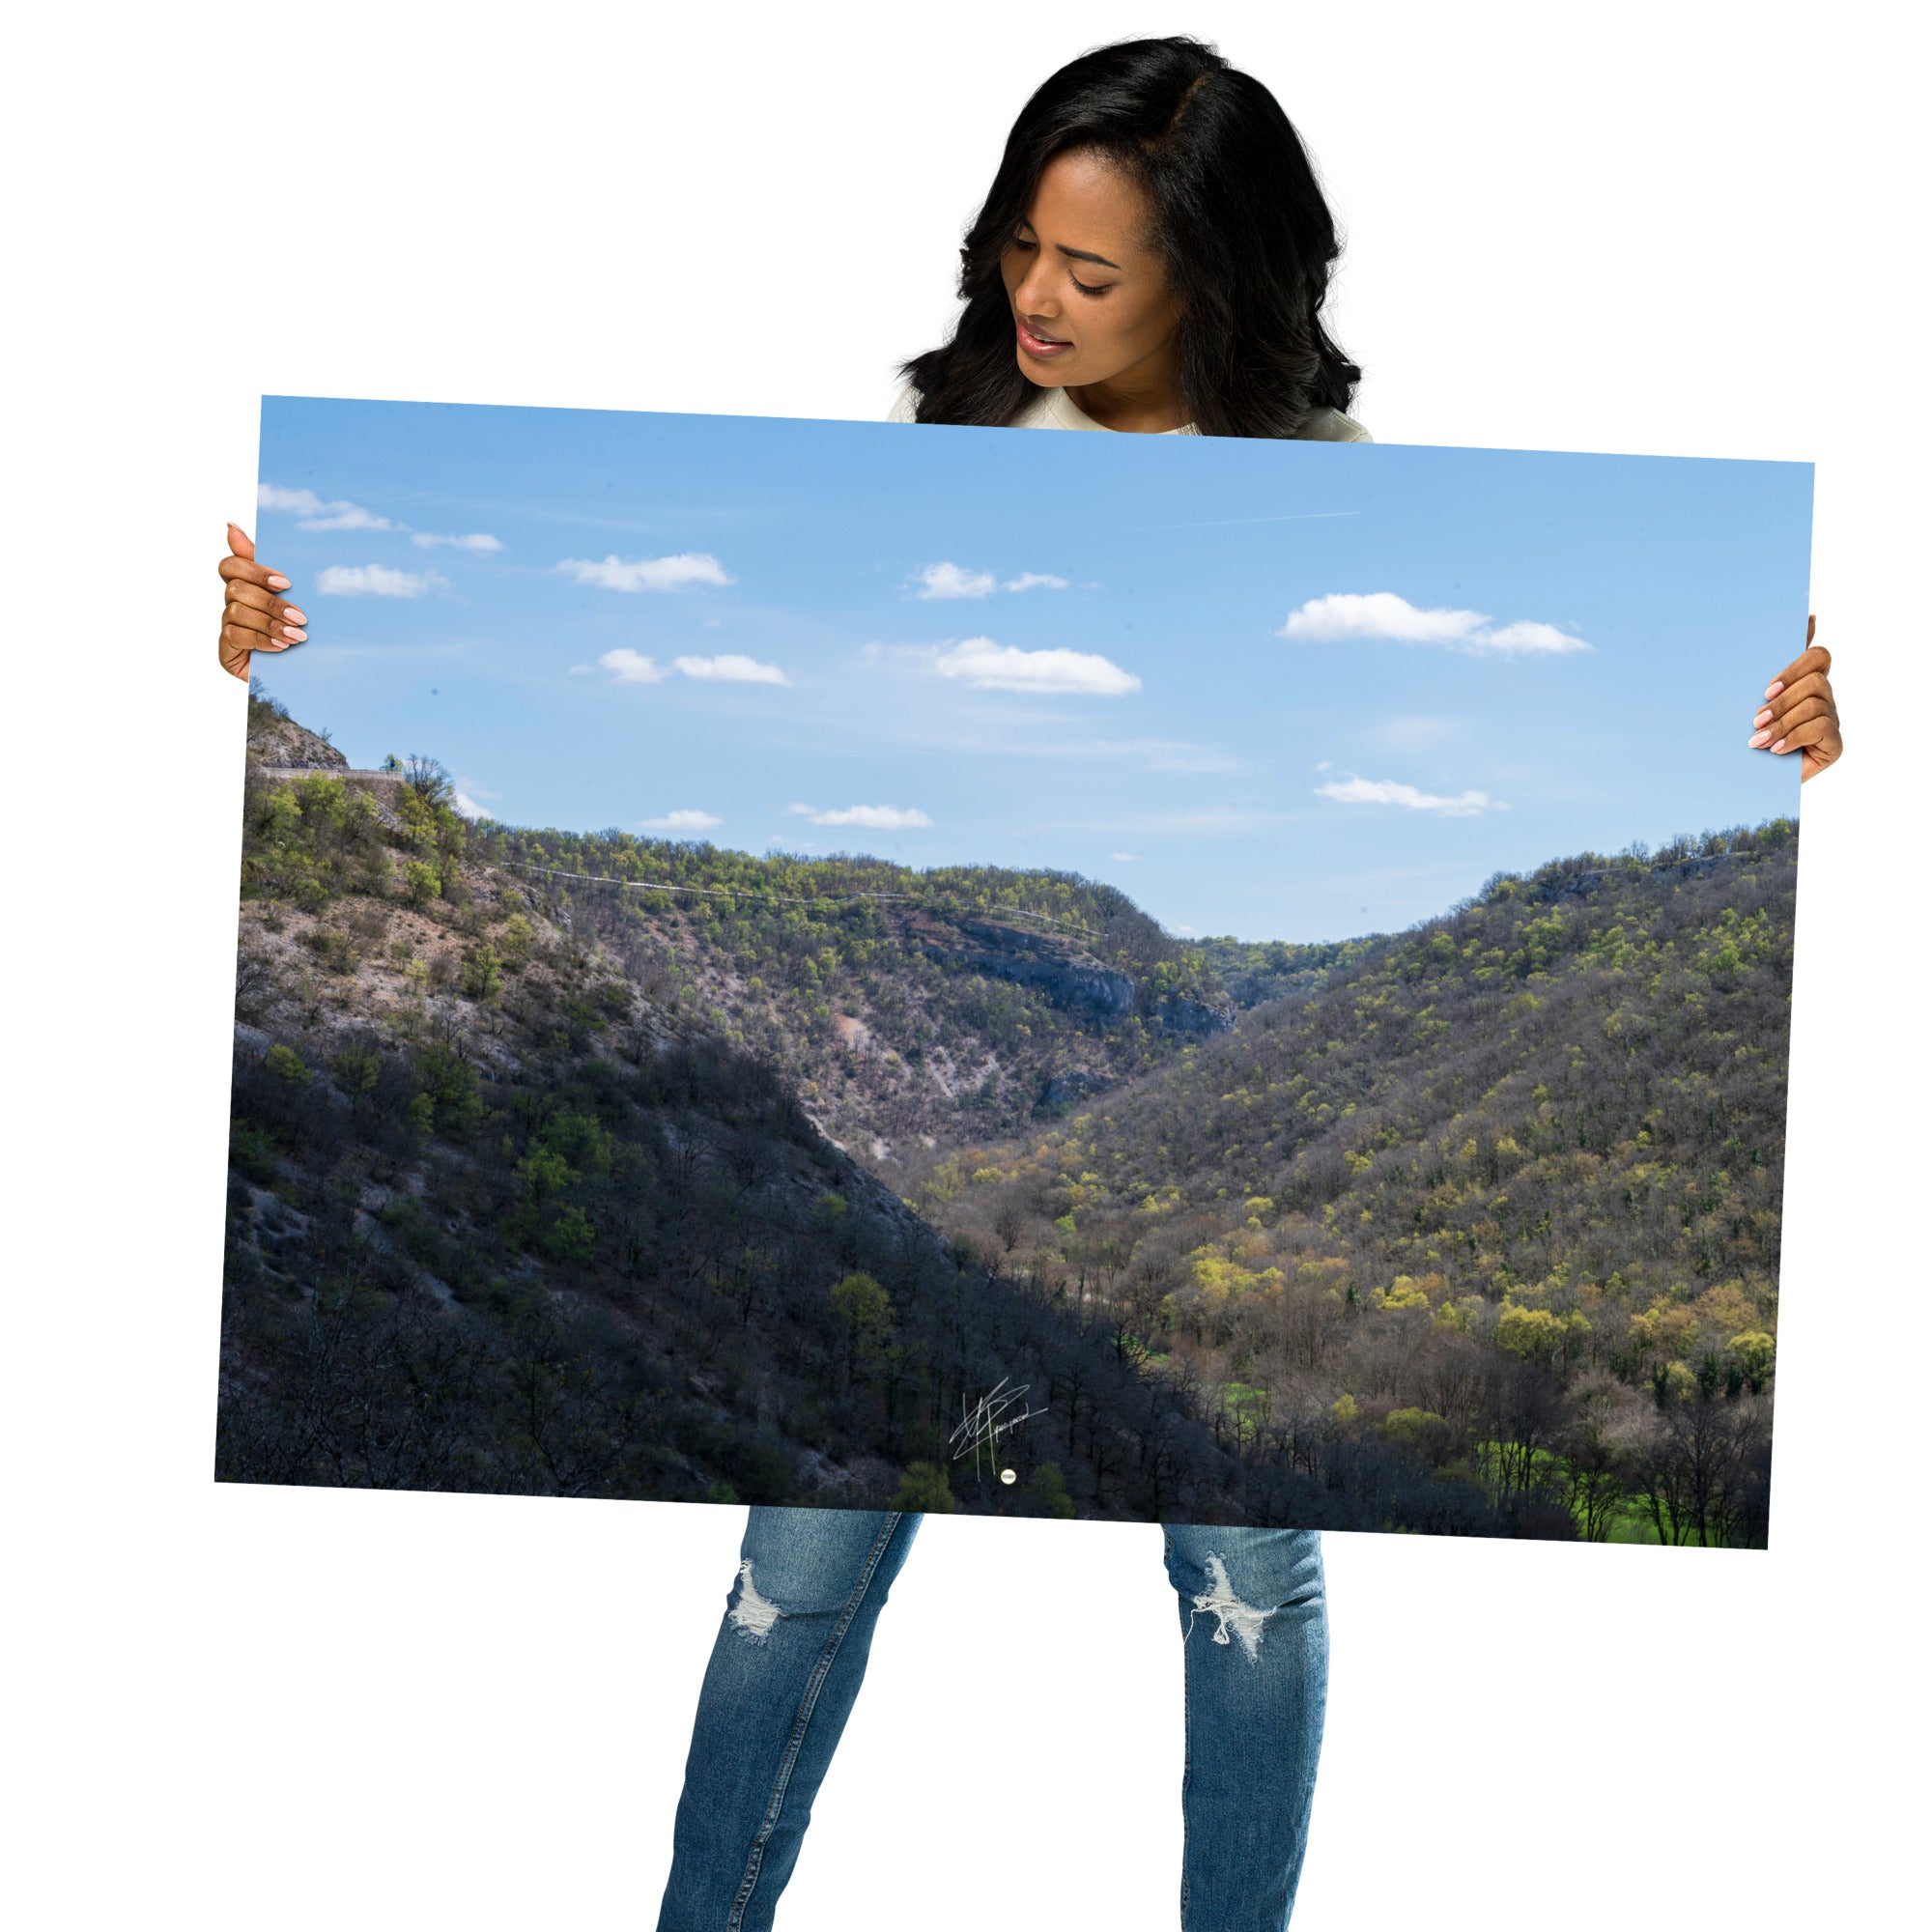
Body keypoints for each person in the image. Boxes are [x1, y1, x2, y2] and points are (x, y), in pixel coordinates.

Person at [213, 37, 1843, 1931]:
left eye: (1093, 272)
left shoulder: (1346, 493)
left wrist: (1788, 732)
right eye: (1018, 251)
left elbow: (1572, 711)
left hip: (1163, 1203)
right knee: (798, 1565)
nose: (1036, 302)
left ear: (1214, 280)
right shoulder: (956, 454)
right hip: (947, 1228)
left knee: (1247, 1573)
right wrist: (266, 632)